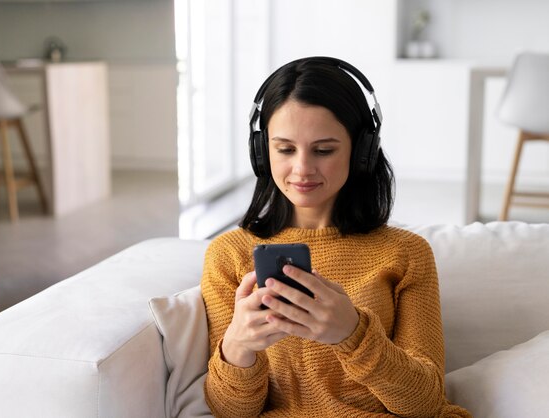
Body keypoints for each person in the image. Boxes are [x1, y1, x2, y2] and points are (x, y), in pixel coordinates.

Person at [200, 56, 471, 417]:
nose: (301, 169)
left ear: (362, 152)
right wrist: (237, 347)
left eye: (323, 150)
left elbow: (424, 403)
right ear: (262, 153)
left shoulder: (406, 253)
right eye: (284, 149)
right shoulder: (229, 255)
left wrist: (353, 334)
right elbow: (230, 411)